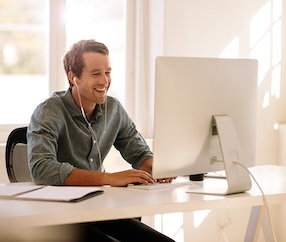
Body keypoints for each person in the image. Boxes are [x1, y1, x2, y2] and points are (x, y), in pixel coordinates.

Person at [27, 39, 175, 242]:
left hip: (98, 207)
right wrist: (109, 179)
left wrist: (158, 168)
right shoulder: (49, 111)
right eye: (96, 74)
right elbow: (41, 168)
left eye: (108, 73)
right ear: (73, 78)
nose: (104, 81)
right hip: (58, 216)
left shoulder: (113, 109)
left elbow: (140, 154)